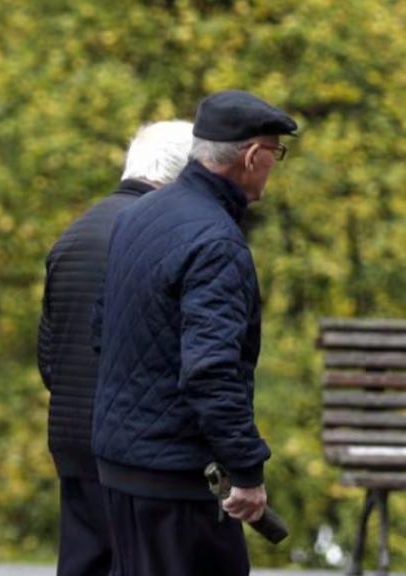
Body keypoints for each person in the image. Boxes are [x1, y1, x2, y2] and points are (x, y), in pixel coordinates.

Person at [91, 90, 297, 576]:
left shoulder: (138, 216)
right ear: (253, 156)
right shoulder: (216, 243)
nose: (274, 165)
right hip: (177, 483)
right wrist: (246, 471)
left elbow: (101, 331)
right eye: (276, 153)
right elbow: (211, 372)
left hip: (121, 472)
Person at [37, 120, 194, 576]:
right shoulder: (164, 238)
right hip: (139, 451)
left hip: (73, 440)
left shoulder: (75, 234)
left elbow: (48, 353)